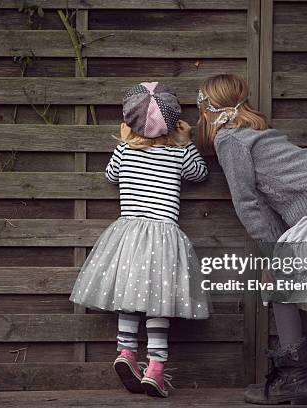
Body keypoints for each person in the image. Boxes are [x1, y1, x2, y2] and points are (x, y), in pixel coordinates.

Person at [196, 74, 307, 405]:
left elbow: (248, 204)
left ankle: (293, 380)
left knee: (279, 279)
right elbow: (265, 204)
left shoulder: (229, 140)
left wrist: (270, 255)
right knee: (286, 281)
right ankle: (294, 380)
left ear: (206, 109)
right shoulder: (247, 131)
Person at [70, 82, 210, 398]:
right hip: (163, 237)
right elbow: (199, 174)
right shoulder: (177, 152)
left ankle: (126, 352)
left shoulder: (124, 150)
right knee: (158, 303)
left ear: (129, 121)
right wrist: (186, 141)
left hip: (129, 235)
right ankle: (155, 369)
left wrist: (123, 142)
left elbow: (110, 176)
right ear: (175, 122)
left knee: (129, 295)